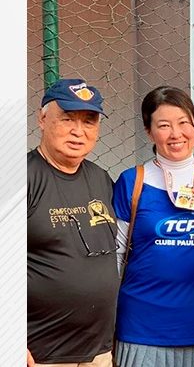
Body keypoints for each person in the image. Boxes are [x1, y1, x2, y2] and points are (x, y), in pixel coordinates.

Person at [112, 86, 194, 367]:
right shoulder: (131, 181)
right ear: (149, 132)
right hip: (141, 329)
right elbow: (116, 257)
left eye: (183, 122)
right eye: (164, 125)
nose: (176, 134)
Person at [28, 78, 119, 367]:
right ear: (42, 119)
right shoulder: (20, 179)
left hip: (98, 351)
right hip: (41, 353)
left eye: (89, 121)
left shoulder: (100, 178)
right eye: (67, 119)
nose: (78, 131)